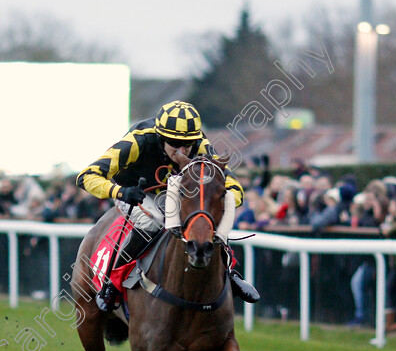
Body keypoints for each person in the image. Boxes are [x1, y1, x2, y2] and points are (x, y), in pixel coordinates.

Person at [76, 100, 260, 311]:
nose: (182, 151)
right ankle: (113, 283)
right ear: (161, 136)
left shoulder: (199, 144)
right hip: (135, 192)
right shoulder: (139, 141)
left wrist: (226, 200)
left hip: (175, 193)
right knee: (151, 221)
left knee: (206, 220)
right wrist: (121, 192)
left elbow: (231, 182)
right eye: (174, 143)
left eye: (187, 145)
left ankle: (230, 272)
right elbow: (86, 176)